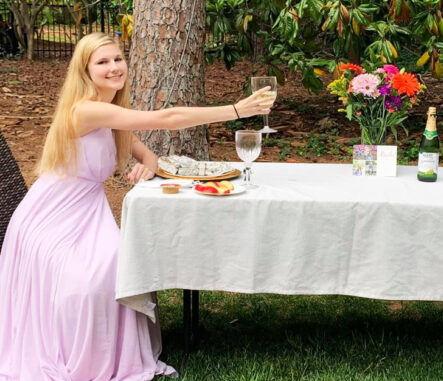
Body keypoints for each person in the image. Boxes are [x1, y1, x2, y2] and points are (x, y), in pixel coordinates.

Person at [0, 32, 272, 380]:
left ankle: (112, 351)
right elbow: (168, 118)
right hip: (52, 218)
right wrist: (236, 110)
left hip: (88, 213)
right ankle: (83, 355)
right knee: (98, 276)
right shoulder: (86, 110)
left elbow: (147, 153)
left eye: (117, 58)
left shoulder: (111, 112)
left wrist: (146, 164)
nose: (114, 67)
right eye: (102, 62)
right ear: (84, 71)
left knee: (122, 264)